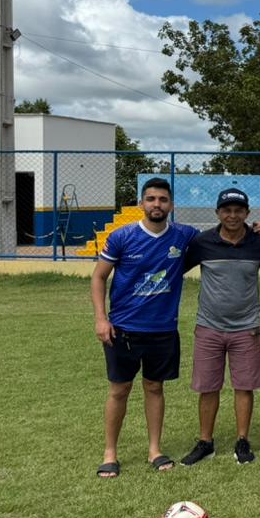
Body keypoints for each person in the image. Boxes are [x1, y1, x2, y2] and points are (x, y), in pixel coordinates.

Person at [180, 188, 260, 467]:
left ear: (247, 212)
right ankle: (205, 442)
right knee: (208, 387)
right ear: (218, 213)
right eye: (226, 210)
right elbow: (178, 270)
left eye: (238, 210)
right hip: (208, 326)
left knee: (244, 386)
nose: (232, 215)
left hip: (246, 327)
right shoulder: (202, 242)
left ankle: (242, 441)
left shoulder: (258, 242)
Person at [91, 177, 198, 477]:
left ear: (171, 205)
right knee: (119, 390)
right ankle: (110, 452)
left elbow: (220, 237)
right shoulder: (122, 236)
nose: (157, 204)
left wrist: (254, 230)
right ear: (141, 203)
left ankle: (155, 449)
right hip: (123, 329)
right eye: (151, 199)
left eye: (163, 199)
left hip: (163, 329)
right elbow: (99, 277)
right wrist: (101, 318)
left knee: (155, 387)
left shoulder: (184, 235)